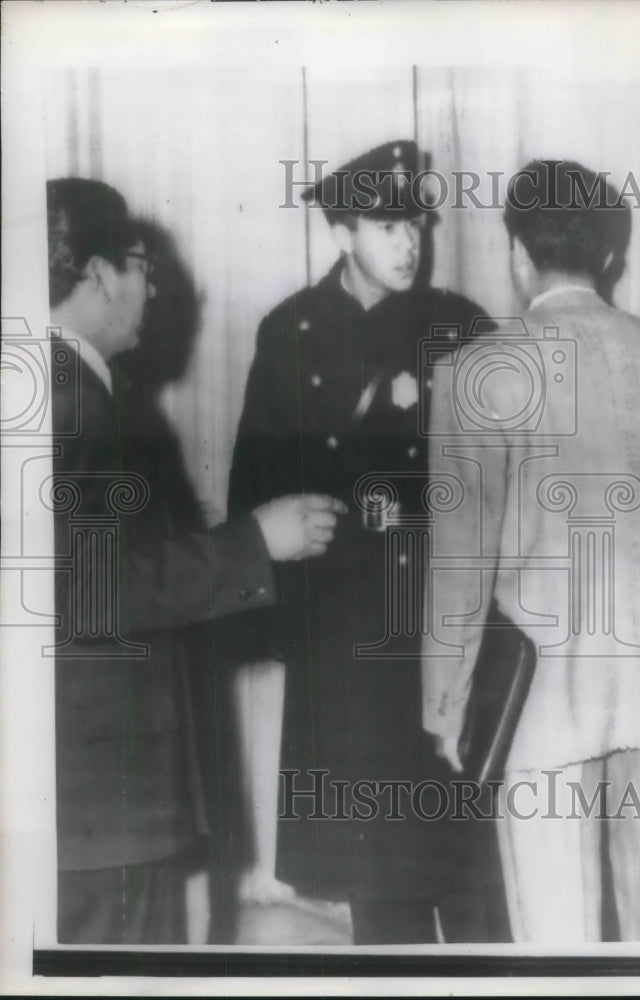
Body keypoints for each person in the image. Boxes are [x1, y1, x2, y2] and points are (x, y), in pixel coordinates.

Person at [47, 177, 345, 944]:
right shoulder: (71, 398)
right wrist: (257, 543)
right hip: (100, 803)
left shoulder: (71, 389)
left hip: (88, 796)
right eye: (142, 264)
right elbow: (82, 588)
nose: (154, 286)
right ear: (99, 274)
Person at [228, 140, 510, 944]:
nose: (409, 241)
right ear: (344, 230)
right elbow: (255, 485)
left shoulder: (457, 323)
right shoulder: (290, 331)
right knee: (375, 876)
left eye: (415, 222)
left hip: (439, 631)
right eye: (388, 225)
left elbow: (505, 478)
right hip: (344, 637)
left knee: (468, 865)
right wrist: (277, 626)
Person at [423, 160, 640, 942]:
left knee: (557, 943)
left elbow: (459, 562)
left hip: (540, 704)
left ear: (518, 253)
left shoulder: (478, 371)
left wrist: (448, 706)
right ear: (611, 258)